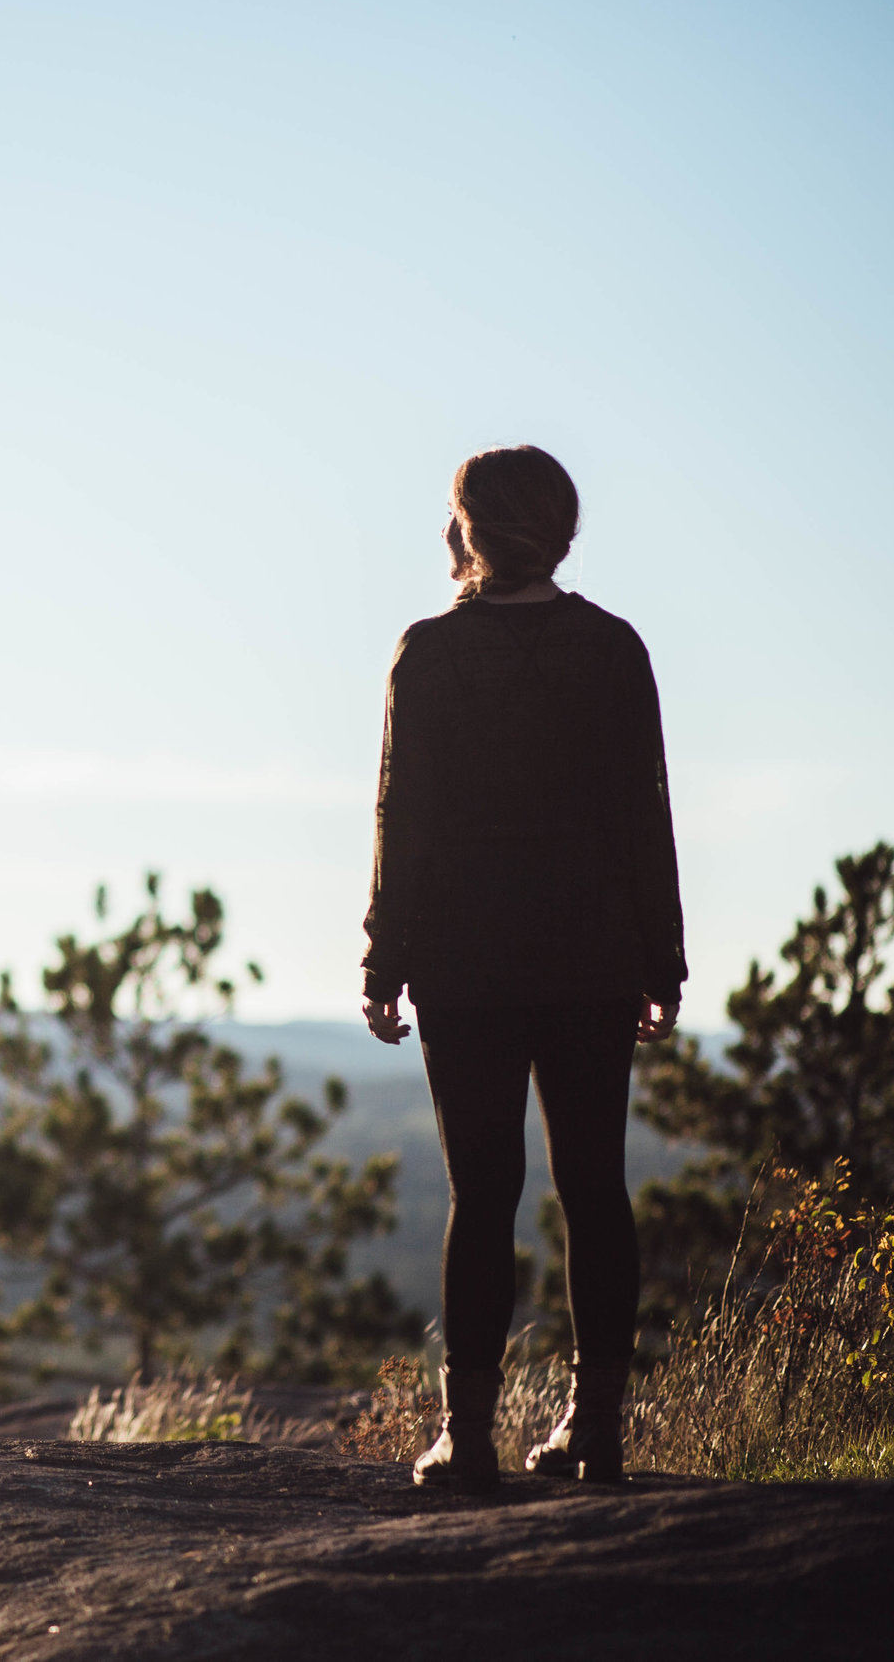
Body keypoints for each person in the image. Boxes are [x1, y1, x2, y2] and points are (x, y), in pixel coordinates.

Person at [360, 445, 684, 1494]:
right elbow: (645, 810)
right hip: (592, 955)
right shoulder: (612, 649)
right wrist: (659, 952)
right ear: (563, 528)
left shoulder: (429, 652)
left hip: (466, 961)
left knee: (482, 1191)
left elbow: (399, 816)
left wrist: (384, 953)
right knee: (595, 1187)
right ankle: (595, 1428)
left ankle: (469, 1435)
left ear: (466, 528)